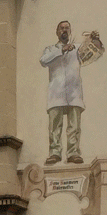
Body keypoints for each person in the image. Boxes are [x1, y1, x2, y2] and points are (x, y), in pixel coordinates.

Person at [39, 20, 89, 165]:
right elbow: (43, 61)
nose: (64, 30)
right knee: (55, 126)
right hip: (56, 93)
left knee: (74, 126)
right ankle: (55, 153)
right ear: (57, 32)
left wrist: (95, 39)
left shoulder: (78, 49)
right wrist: (62, 50)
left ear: (70, 31)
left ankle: (73, 153)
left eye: (67, 28)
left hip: (74, 93)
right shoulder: (51, 49)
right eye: (61, 28)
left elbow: (91, 53)